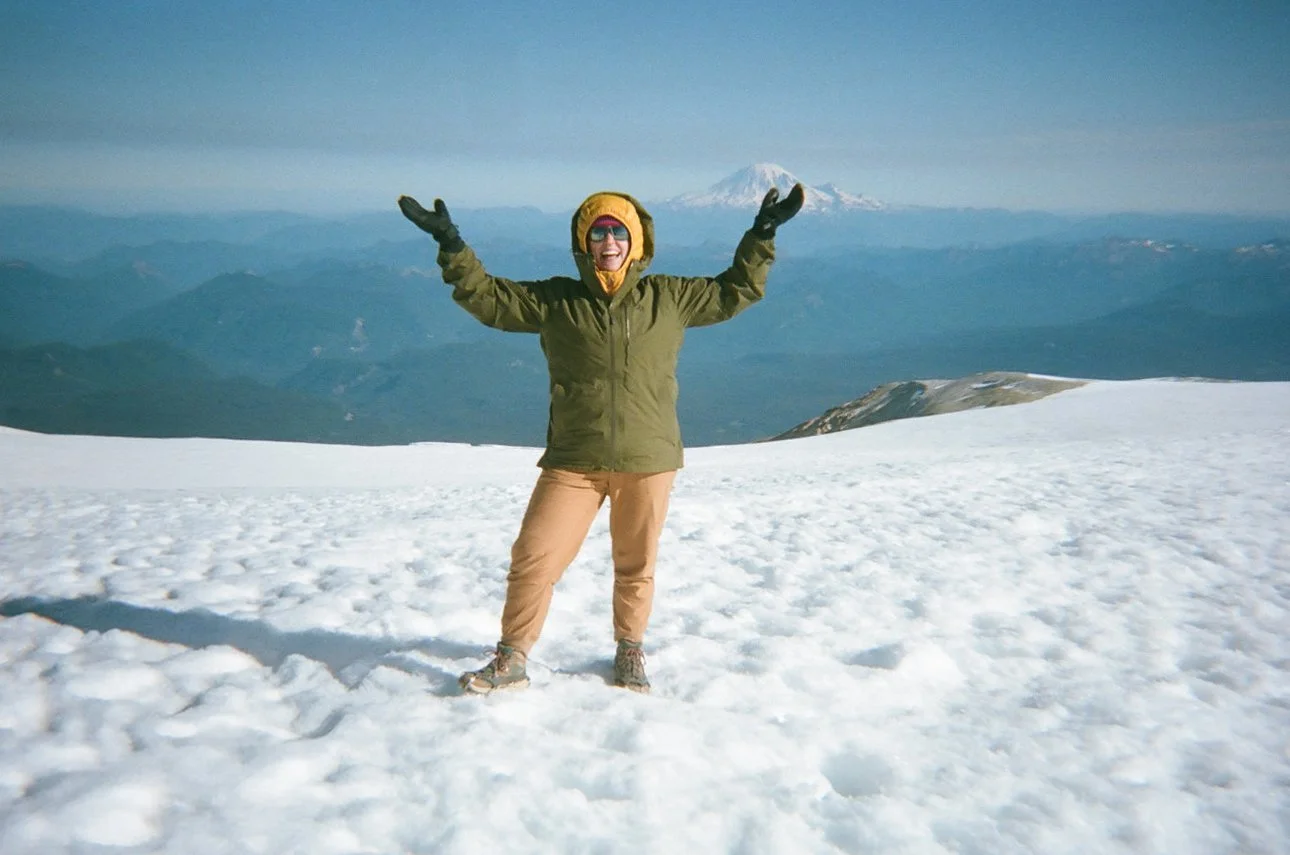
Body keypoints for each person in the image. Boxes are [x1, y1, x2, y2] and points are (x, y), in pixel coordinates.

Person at [397, 182, 804, 695]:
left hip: (648, 458)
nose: (607, 242)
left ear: (635, 241)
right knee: (534, 555)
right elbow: (489, 299)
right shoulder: (556, 301)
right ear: (583, 244)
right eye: (597, 233)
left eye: (617, 231)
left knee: (636, 564)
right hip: (574, 460)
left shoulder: (670, 297)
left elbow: (736, 289)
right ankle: (512, 656)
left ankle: (630, 650)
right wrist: (450, 243)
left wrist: (762, 233)